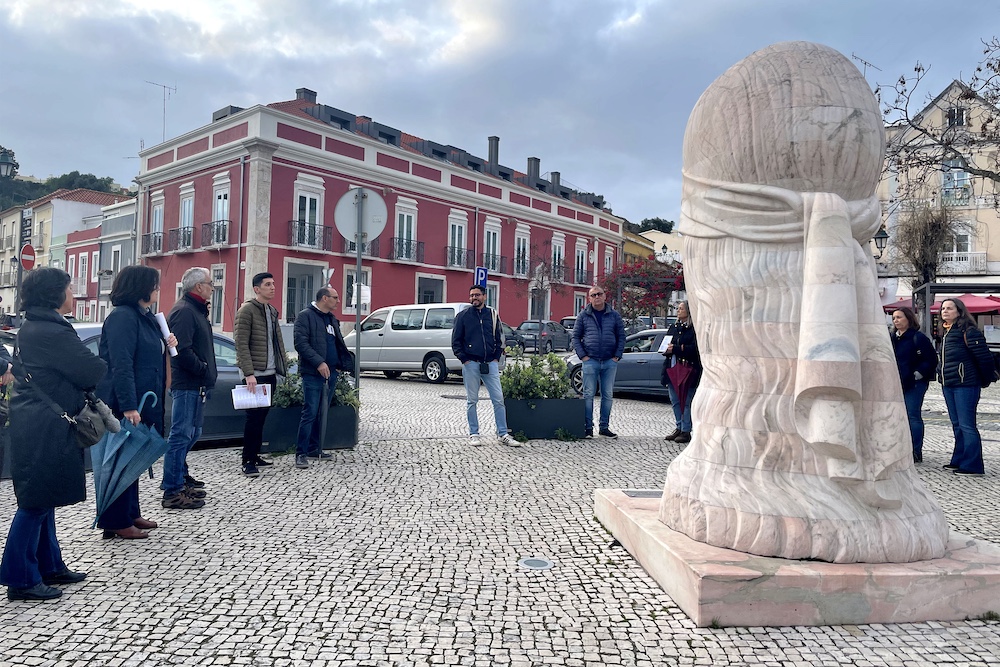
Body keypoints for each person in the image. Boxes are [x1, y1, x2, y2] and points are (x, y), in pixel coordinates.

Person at [1, 268, 107, 600]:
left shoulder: (37, 325)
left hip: (40, 419)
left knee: (43, 497)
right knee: (35, 501)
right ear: (54, 294)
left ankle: (48, 565)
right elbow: (91, 369)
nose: (73, 294)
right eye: (69, 288)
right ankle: (20, 577)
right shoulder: (50, 331)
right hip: (44, 423)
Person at [95, 265, 176, 538]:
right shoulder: (123, 317)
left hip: (146, 398)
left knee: (135, 458)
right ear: (140, 286)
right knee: (120, 460)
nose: (157, 289)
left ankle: (131, 512)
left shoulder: (146, 317)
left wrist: (166, 342)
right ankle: (116, 521)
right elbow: (121, 364)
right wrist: (129, 405)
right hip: (125, 402)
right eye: (154, 284)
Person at [161, 267, 217, 509]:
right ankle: (172, 490)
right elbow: (181, 351)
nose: (213, 287)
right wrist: (202, 369)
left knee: (191, 434)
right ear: (198, 287)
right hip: (187, 384)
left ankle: (181, 478)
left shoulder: (195, 309)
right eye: (209, 283)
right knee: (181, 435)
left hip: (197, 383)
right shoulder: (184, 311)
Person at [234, 272, 288, 477]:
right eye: (268, 284)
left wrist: (282, 368)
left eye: (273, 283)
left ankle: (255, 454)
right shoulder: (247, 310)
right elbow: (241, 344)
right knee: (253, 419)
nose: (273, 287)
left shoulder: (272, 311)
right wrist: (248, 373)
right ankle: (247, 460)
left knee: (262, 417)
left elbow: (277, 343)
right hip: (254, 374)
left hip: (270, 373)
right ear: (257, 289)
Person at [451, 284, 518, 447]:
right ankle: (474, 433)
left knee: (498, 399)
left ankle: (502, 433)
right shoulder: (463, 316)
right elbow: (455, 341)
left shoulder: (492, 315)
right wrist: (464, 359)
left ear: (484, 297)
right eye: (472, 295)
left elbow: (498, 338)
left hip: (490, 364)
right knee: (472, 401)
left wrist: (495, 358)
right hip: (471, 364)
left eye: (477, 295)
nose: (474, 298)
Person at [293, 287, 351, 469]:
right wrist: (319, 362)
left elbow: (338, 343)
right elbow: (301, 343)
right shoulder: (305, 316)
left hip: (331, 372)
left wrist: (341, 364)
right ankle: (301, 453)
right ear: (324, 298)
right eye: (335, 297)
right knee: (310, 412)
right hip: (313, 373)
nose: (338, 301)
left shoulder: (331, 319)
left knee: (322, 411)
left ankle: (314, 447)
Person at [937, 297, 996, 476]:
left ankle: (973, 466)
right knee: (957, 424)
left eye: (949, 308)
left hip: (966, 385)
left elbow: (985, 359)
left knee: (967, 425)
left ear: (959, 311)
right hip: (949, 384)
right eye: (943, 309)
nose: (944, 311)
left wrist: (983, 380)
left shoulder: (969, 331)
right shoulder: (946, 332)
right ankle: (959, 460)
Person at [572, 285, 625, 438]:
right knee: (588, 394)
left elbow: (621, 336)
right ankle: (588, 428)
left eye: (599, 294)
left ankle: (604, 427)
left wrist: (617, 356)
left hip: (609, 361)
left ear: (604, 296)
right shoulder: (583, 316)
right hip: (590, 360)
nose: (596, 297)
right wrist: (583, 356)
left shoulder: (614, 315)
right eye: (593, 295)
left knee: (607, 395)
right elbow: (576, 337)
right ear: (589, 298)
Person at [890, 307, 936, 463]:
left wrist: (918, 374)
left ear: (908, 319)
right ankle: (900, 449)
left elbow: (930, 360)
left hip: (914, 383)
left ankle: (915, 451)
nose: (896, 320)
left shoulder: (918, 337)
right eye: (894, 318)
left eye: (899, 317)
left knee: (912, 415)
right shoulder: (892, 338)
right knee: (897, 416)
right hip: (897, 382)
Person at [661, 301, 701, 444]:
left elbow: (695, 349)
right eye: (677, 308)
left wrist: (676, 348)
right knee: (675, 401)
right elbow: (666, 344)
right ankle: (678, 426)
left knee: (687, 402)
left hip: (688, 370)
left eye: (681, 308)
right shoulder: (674, 327)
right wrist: (665, 350)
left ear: (689, 311)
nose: (678, 311)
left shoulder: (693, 329)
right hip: (672, 368)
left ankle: (686, 430)